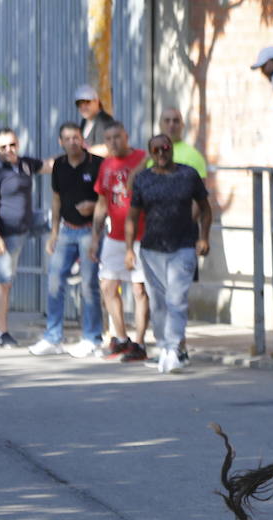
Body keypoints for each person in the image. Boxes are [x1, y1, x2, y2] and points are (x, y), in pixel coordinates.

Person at [125, 133, 211, 374]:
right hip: (151, 249)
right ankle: (164, 345)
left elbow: (205, 208)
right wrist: (128, 249)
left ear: (171, 149)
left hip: (183, 246)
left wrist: (204, 236)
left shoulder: (188, 175)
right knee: (159, 302)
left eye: (165, 148)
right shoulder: (143, 179)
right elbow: (132, 216)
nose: (161, 153)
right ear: (150, 154)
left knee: (177, 299)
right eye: (155, 150)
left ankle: (173, 348)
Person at [31, 122, 103, 358]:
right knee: (54, 281)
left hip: (90, 230)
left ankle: (92, 338)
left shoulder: (96, 164)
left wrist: (93, 209)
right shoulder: (59, 165)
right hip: (65, 231)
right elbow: (56, 199)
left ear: (82, 139)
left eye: (76, 137)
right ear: (61, 142)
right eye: (68, 138)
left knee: (89, 284)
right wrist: (53, 233)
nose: (73, 142)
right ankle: (53, 337)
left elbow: (106, 200)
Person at [0, 127, 50, 348]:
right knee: (4, 282)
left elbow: (49, 165)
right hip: (7, 235)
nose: (9, 150)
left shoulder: (25, 164)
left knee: (59, 219)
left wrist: (84, 152)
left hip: (29, 223)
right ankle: (2, 332)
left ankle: (74, 262)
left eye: (12, 145)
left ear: (18, 144)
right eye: (3, 147)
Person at [91, 122, 152, 362]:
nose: (114, 142)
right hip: (114, 236)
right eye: (109, 138)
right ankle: (121, 338)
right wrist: (95, 238)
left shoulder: (142, 158)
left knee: (139, 289)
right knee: (107, 285)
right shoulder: (106, 165)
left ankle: (139, 342)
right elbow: (102, 203)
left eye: (118, 137)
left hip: (141, 236)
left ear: (126, 136)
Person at [158, 107, 208, 178]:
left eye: (176, 121)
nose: (171, 124)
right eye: (167, 120)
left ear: (182, 125)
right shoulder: (151, 154)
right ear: (160, 124)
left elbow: (201, 187)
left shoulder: (194, 156)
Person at [74, 84, 116, 156]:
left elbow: (107, 148)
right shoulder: (84, 121)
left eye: (87, 102)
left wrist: (81, 154)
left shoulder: (105, 120)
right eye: (79, 104)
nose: (83, 107)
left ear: (96, 101)